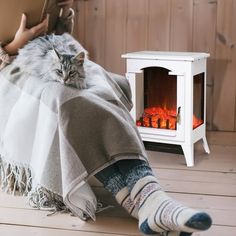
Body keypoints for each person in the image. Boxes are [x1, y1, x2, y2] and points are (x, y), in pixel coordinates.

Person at [0, 1, 212, 235]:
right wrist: (13, 46)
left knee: (100, 89)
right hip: (12, 64)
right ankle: (150, 201)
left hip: (55, 55)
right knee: (65, 99)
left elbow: (63, 34)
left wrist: (62, 10)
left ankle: (148, 202)